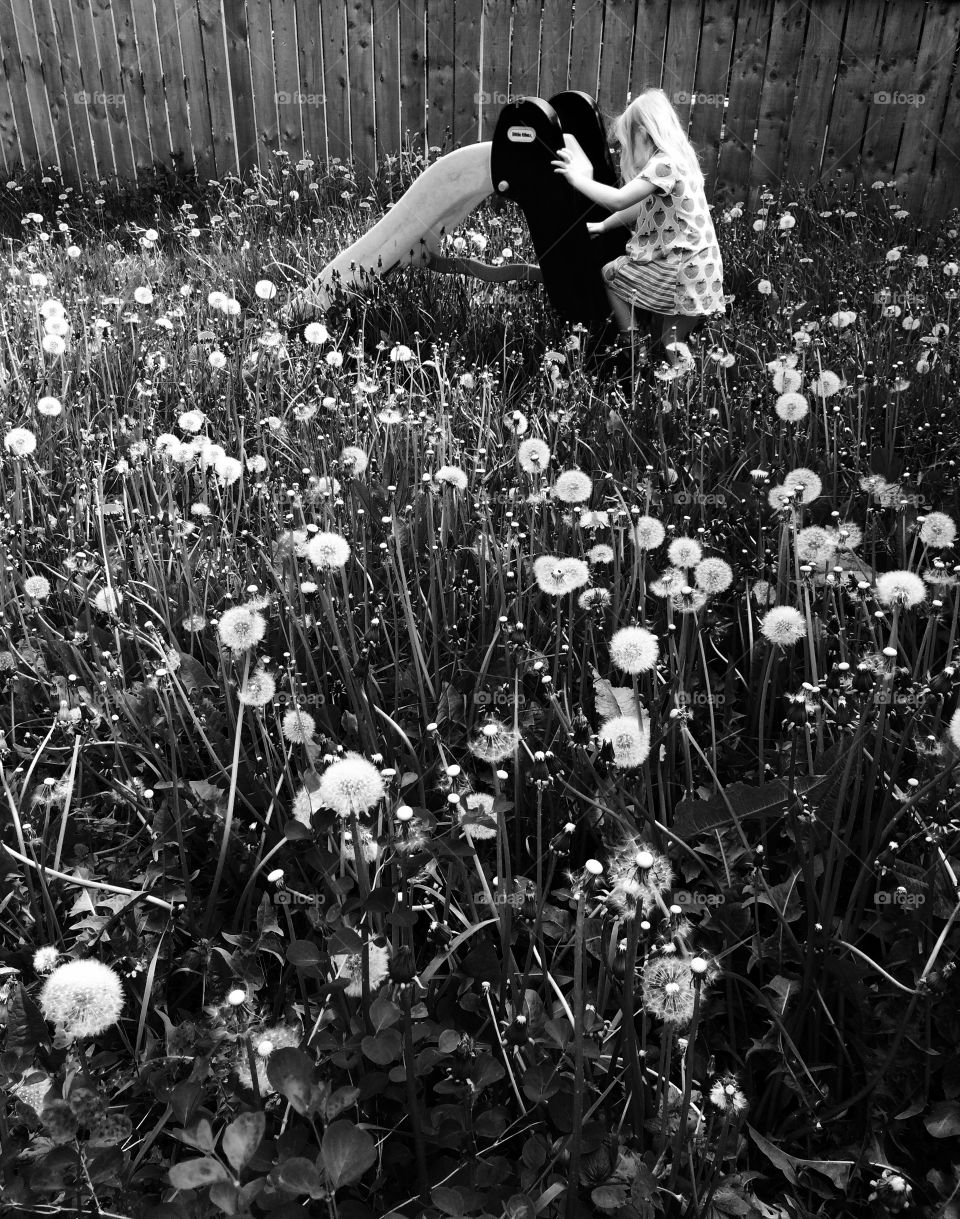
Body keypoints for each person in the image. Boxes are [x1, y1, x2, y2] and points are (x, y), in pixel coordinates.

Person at [551, 88, 725, 365]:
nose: (625, 151)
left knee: (610, 273)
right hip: (703, 268)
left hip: (681, 269)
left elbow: (620, 200)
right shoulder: (681, 162)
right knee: (672, 339)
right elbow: (640, 207)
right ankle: (686, 393)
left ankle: (633, 343)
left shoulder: (662, 165)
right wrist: (604, 226)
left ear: (643, 133)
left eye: (626, 143)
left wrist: (575, 178)